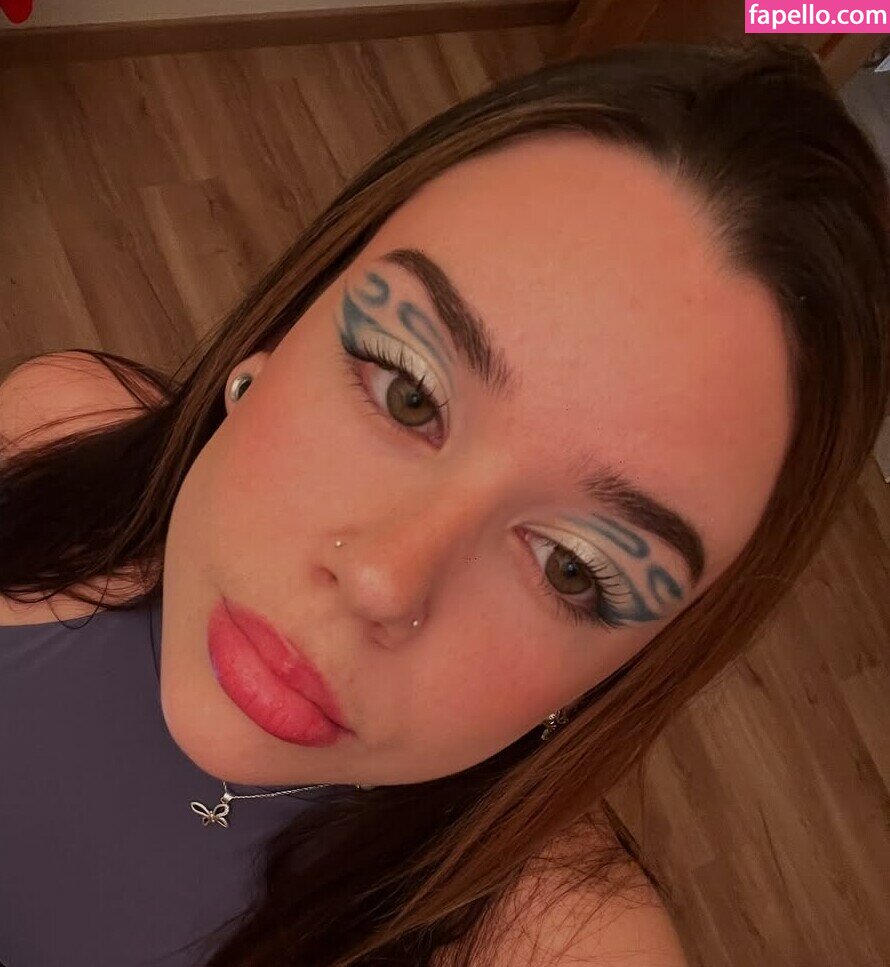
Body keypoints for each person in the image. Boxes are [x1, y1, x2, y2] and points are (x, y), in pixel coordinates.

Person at [0, 37, 887, 967]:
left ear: (631, 665)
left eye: (572, 567)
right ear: (287, 328)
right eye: (407, 391)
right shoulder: (56, 422)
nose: (382, 580)